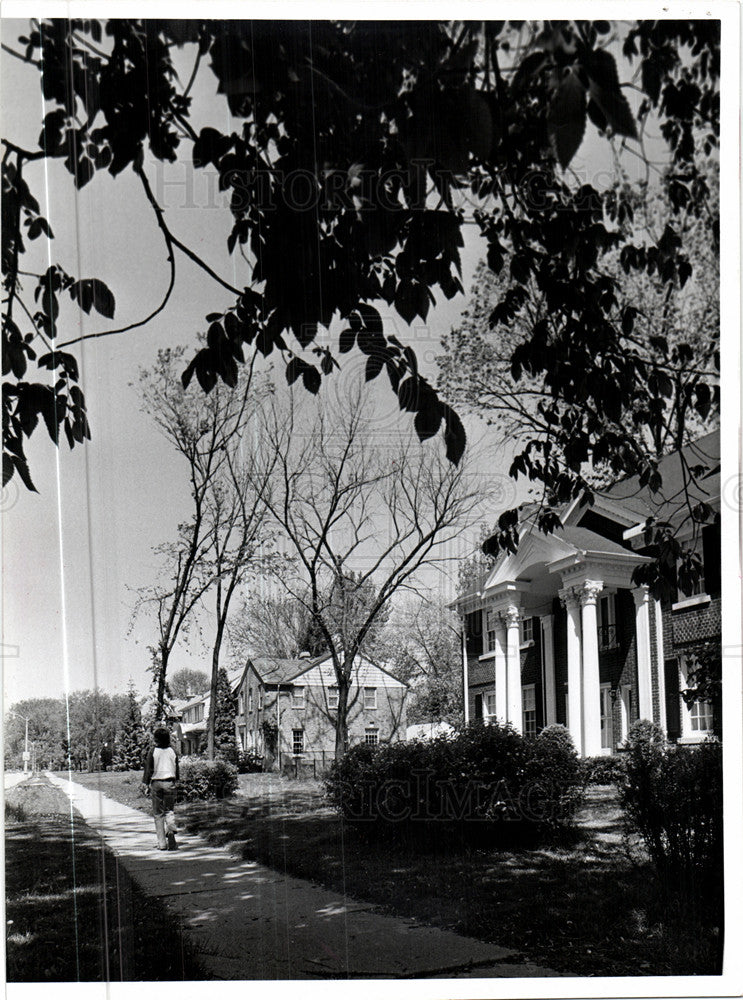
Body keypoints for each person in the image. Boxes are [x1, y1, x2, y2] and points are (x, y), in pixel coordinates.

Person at [142, 727, 179, 851]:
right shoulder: (172, 751)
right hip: (170, 782)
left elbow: (149, 769)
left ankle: (162, 843)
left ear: (156, 739)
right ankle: (171, 830)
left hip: (157, 783)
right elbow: (176, 767)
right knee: (169, 810)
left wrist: (145, 783)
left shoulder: (153, 751)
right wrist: (176, 780)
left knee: (158, 813)